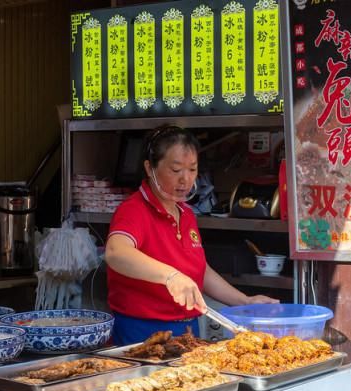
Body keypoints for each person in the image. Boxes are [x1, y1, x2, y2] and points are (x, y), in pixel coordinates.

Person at [105, 125, 279, 345]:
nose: (185, 180)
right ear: (150, 168)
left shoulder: (185, 213)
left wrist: (245, 301)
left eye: (192, 169)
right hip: (141, 332)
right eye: (176, 170)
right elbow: (116, 252)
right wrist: (171, 276)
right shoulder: (134, 210)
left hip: (187, 330)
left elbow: (199, 270)